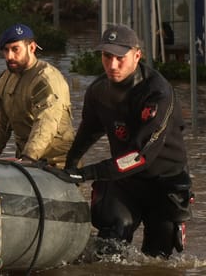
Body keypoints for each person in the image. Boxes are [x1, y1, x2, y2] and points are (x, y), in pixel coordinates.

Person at [47, 24, 192, 259]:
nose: (112, 65)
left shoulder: (158, 94)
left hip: (164, 184)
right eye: (106, 57)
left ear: (137, 56)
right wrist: (71, 168)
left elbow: (139, 156)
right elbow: (87, 133)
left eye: (119, 58)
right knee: (109, 246)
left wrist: (87, 174)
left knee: (156, 260)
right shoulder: (97, 91)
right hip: (124, 181)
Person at [0, 23, 75, 165]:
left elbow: (46, 123)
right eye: (6, 50)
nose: (10, 56)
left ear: (32, 48)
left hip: (57, 163)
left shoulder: (46, 79)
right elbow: (0, 123)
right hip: (25, 160)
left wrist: (29, 157)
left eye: (15, 49)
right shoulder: (5, 78)